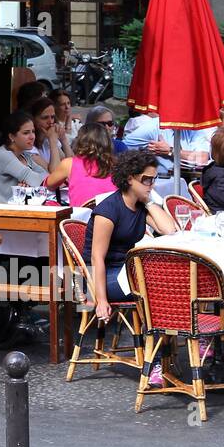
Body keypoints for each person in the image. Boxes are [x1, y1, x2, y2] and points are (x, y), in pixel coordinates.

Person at [88, 151, 177, 387]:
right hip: (99, 276)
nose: (152, 184)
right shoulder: (109, 210)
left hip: (125, 272)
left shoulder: (139, 205)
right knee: (154, 290)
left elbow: (170, 231)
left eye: (153, 179)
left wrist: (148, 200)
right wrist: (101, 300)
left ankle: (160, 356)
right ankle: (156, 361)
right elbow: (97, 257)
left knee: (163, 284)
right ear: (129, 178)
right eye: (146, 180)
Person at [0, 111, 48, 203]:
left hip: (14, 207)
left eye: (33, 132)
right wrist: (32, 181)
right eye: (26, 133)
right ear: (11, 136)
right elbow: (40, 182)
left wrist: (31, 182)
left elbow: (45, 175)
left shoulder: (24, 155)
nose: (32, 137)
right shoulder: (3, 155)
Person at [44, 123, 117, 208]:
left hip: (80, 218)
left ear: (80, 141)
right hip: (112, 216)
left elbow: (48, 185)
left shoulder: (69, 164)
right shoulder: (116, 165)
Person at [25, 96, 69, 172]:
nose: (50, 122)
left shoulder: (47, 140)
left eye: (52, 117)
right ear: (33, 119)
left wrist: (63, 139)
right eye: (45, 118)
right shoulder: (28, 145)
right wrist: (52, 141)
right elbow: (54, 174)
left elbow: (71, 166)